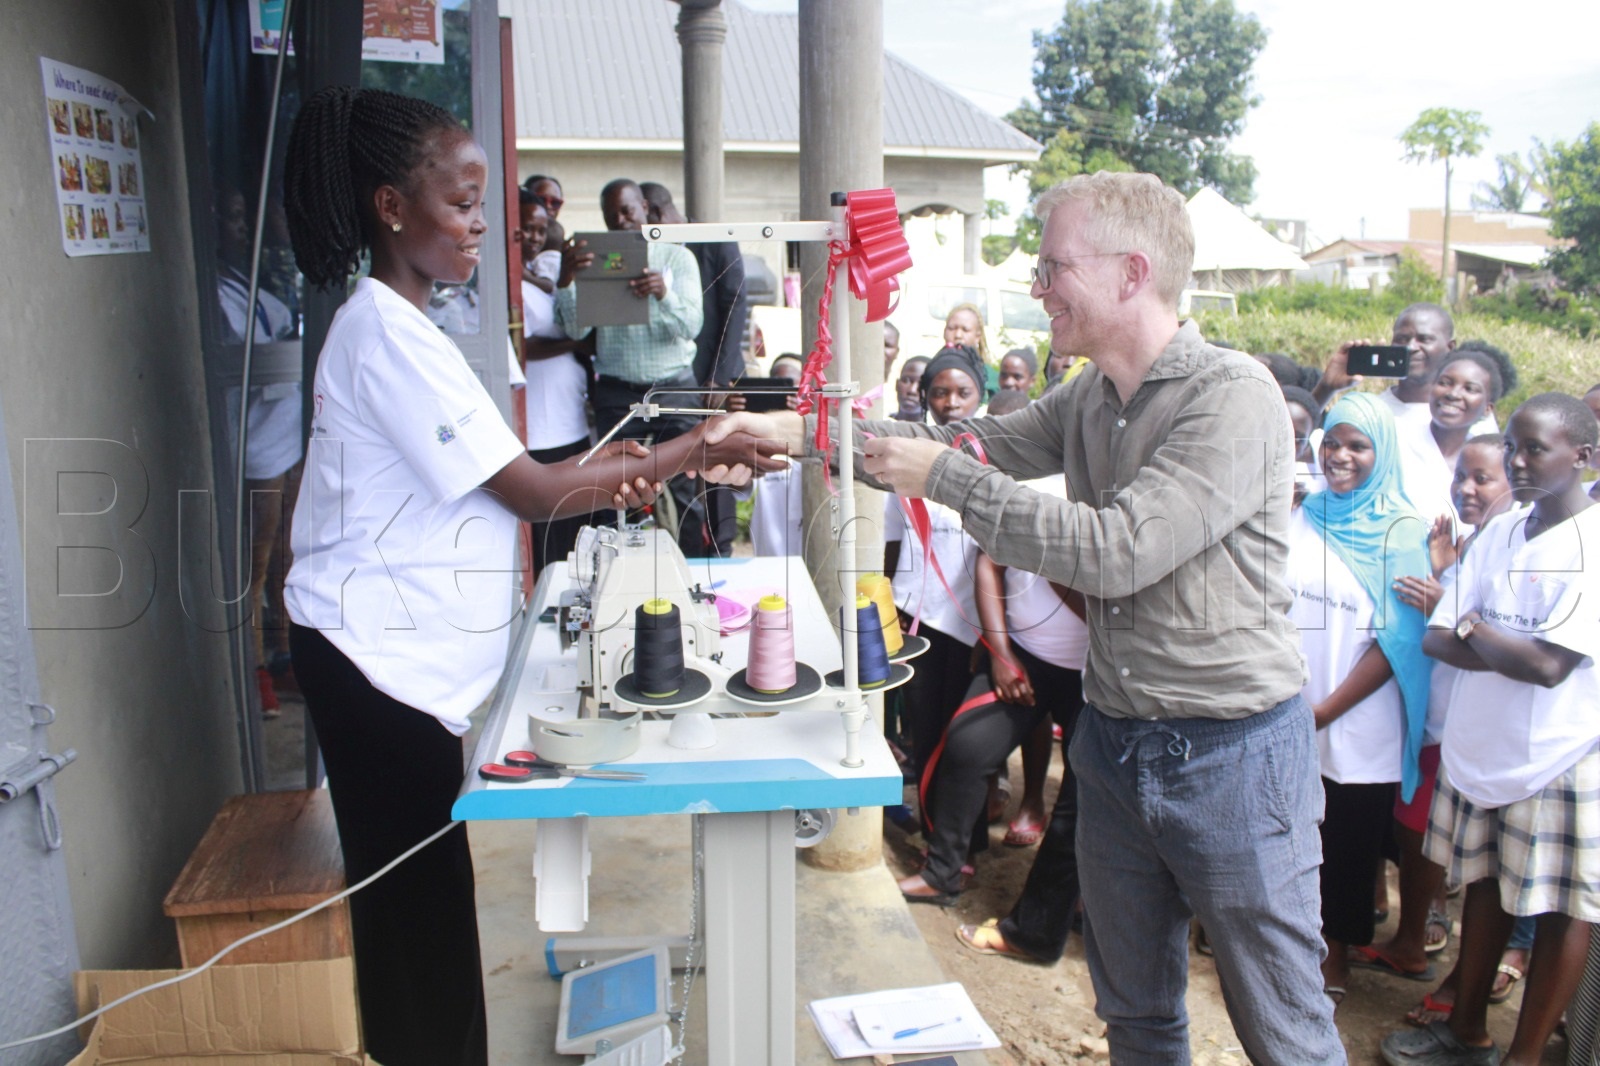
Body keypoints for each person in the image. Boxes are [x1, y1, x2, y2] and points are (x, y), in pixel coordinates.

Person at [706, 171, 1344, 1062]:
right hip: (1114, 742)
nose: (1039, 289)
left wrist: (948, 479)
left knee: (1284, 1028)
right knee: (1136, 1013)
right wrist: (798, 435)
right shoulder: (1092, 395)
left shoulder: (1231, 396)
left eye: (1052, 269)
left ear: (1131, 271)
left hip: (1230, 756)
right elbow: (976, 442)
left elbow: (1118, 550)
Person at [279, 87, 780, 1066]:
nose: (483, 227)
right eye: (464, 205)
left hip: (383, 659)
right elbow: (532, 492)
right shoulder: (385, 336)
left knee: (422, 911)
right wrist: (694, 448)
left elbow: (515, 475)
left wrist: (628, 463)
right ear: (392, 207)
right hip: (372, 666)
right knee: (416, 922)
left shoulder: (398, 325)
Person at [1382, 392, 1599, 1066]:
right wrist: (1486, 635)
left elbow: (1549, 666)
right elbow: (1436, 638)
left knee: (1559, 910)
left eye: (1535, 448)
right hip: (1484, 746)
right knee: (1483, 885)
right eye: (1512, 446)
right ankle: (1466, 1030)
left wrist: (1473, 624)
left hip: (1559, 755)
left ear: (1583, 456)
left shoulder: (1592, 544)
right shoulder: (1504, 530)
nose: (1518, 461)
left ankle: (1523, 1055)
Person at [1286, 394, 1433, 1006]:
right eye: (1332, 442)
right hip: (1291, 703)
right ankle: (1284, 939)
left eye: (1358, 445)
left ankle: (1336, 951)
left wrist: (1326, 711)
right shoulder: (1306, 512)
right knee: (1289, 828)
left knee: (1346, 837)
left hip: (1356, 715)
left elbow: (1398, 640)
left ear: (1383, 452)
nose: (1340, 456)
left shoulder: (1403, 531)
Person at [1391, 434, 1520, 1026]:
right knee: (1421, 839)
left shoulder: (1518, 544)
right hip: (1443, 720)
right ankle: (1417, 943)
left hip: (1479, 733)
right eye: (1461, 477)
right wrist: (1448, 575)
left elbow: (1498, 638)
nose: (1466, 488)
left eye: (1482, 479)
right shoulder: (1475, 542)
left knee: (1480, 873)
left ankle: (1466, 980)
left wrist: (1447, 605)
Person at [881, 345, 985, 793]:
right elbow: (892, 540)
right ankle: (931, 822)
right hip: (917, 615)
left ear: (979, 395)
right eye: (940, 392)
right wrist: (889, 607)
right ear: (926, 397)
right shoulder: (907, 458)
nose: (951, 403)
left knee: (966, 738)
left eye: (963, 392)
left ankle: (962, 829)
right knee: (925, 727)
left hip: (975, 620)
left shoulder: (993, 458)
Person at [639, 181, 749, 557]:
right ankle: (682, 547)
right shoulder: (650, 253)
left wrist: (720, 377)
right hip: (669, 378)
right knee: (681, 469)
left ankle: (721, 548)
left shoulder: (713, 239)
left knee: (717, 460)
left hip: (711, 375)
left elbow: (735, 307)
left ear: (653, 213)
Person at [514, 190, 594, 575]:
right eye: (526, 228)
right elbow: (521, 347)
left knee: (574, 539)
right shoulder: (509, 285)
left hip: (569, 421)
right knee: (549, 544)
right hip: (541, 430)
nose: (533, 237)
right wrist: (576, 343)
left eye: (540, 229)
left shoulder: (539, 278)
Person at [891, 355, 929, 421]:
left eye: (922, 384)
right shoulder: (879, 424)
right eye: (906, 381)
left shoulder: (937, 427)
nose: (912, 390)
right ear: (897, 385)